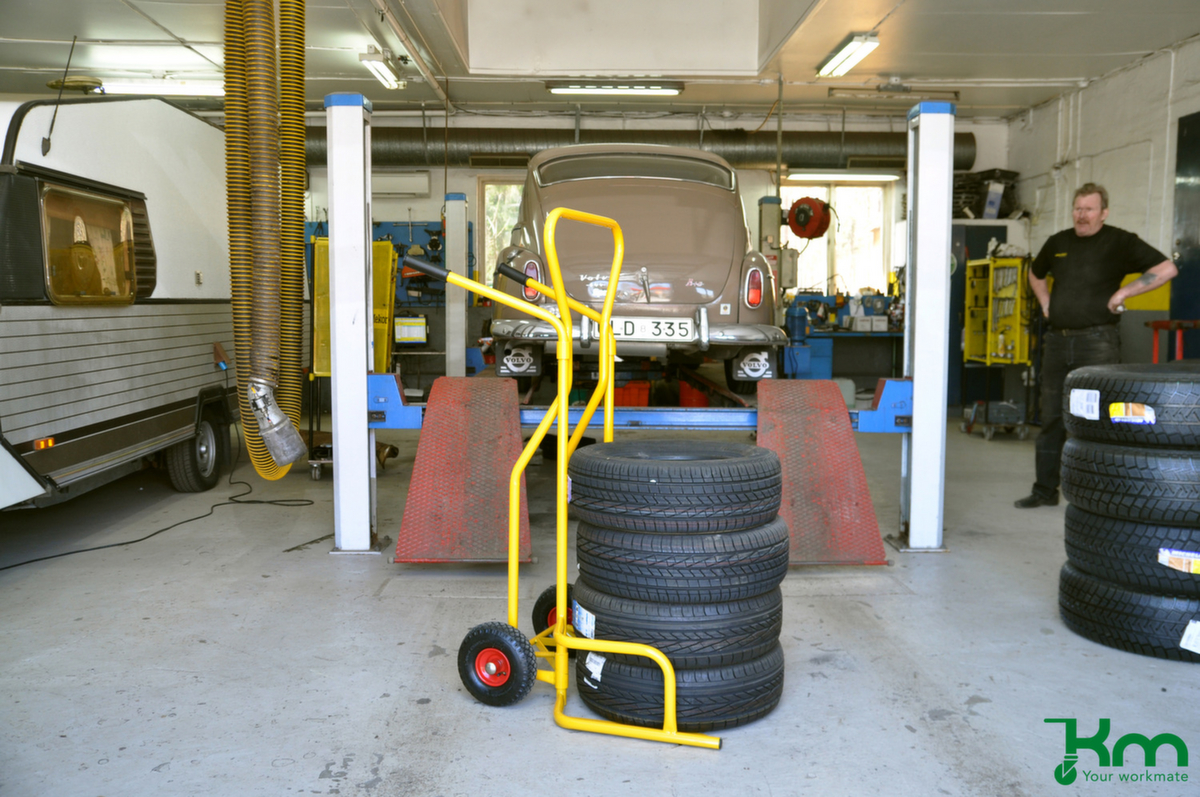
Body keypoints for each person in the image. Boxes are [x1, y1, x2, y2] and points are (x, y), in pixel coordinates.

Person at [1015, 183, 1178, 508]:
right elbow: (1035, 273)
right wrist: (1046, 302)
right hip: (1058, 342)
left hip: (1098, 343)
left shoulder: (1120, 241)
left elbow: (1166, 268)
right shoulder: (1058, 242)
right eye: (1078, 208)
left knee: (1101, 421)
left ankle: (1103, 494)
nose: (1082, 215)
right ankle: (1044, 491)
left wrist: (1122, 294)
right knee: (1051, 420)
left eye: (1089, 209)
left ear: (1103, 213)